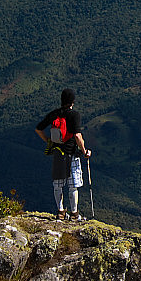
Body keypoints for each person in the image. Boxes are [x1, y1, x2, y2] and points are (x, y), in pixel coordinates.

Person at [35, 88, 92, 221]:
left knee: (58, 185)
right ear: (73, 101)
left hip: (58, 154)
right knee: (73, 186)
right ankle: (74, 214)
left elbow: (38, 129)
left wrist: (48, 141)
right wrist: (84, 151)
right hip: (72, 153)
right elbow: (77, 136)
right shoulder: (74, 115)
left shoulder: (54, 114)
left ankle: (60, 212)